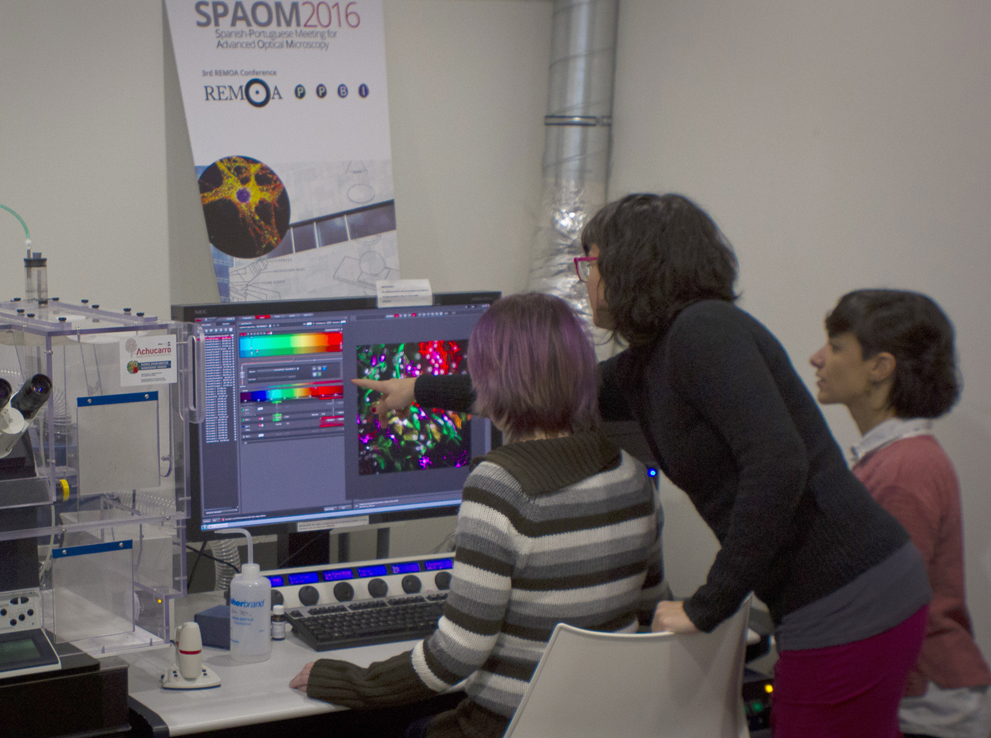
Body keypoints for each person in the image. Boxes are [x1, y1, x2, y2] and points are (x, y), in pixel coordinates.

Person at [354, 194, 930, 737]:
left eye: (592, 264)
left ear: (632, 269)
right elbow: (540, 390)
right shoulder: (656, 360)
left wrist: (709, 604)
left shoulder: (704, 331)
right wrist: (419, 389)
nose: (587, 280)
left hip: (848, 599)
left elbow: (779, 462)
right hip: (836, 597)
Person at [289, 292, 666, 738]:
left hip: (504, 726)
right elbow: (652, 611)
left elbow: (457, 654)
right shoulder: (632, 476)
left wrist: (348, 681)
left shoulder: (500, 487)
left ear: (489, 383)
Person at [811, 289, 991, 738]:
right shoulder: (892, 460)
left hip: (923, 706)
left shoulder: (903, 470)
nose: (817, 358)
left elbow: (888, 608)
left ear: (880, 367)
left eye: (836, 347)